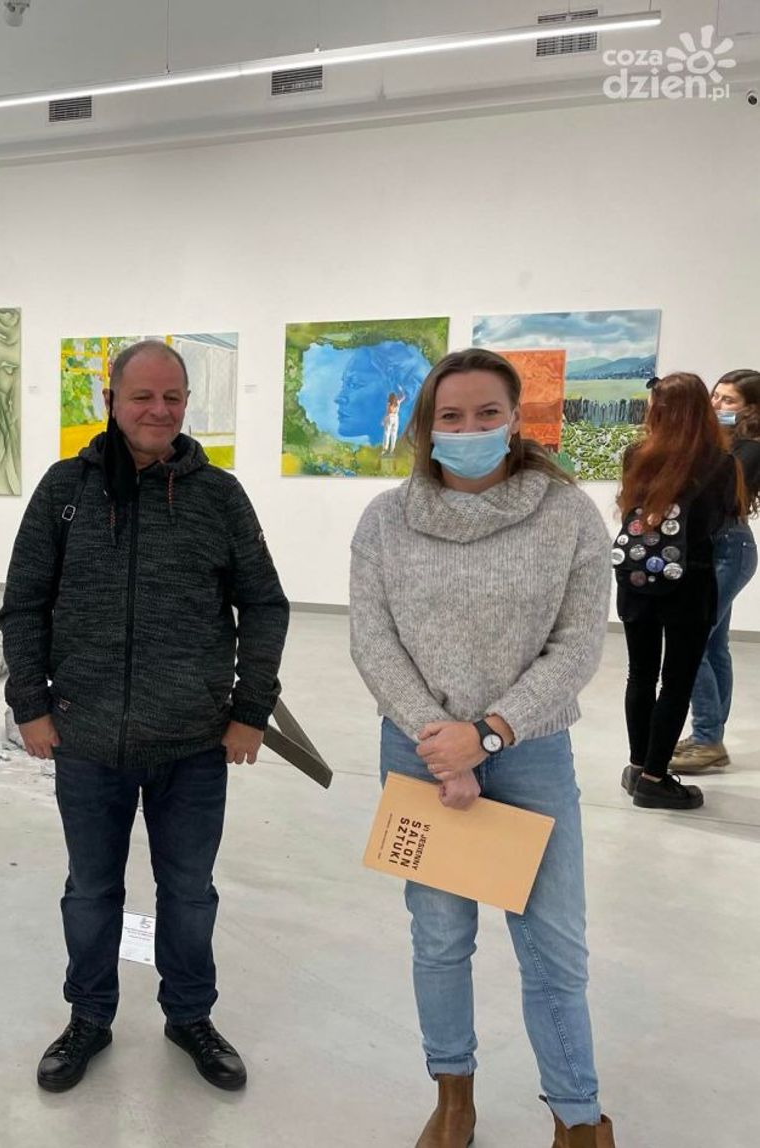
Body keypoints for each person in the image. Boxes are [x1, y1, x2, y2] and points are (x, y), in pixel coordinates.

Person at [0, 340, 289, 1095]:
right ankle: (89, 1017)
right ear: (111, 401)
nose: (158, 411)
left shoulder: (219, 496)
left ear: (186, 404)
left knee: (189, 894)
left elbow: (264, 605)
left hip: (193, 742)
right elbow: (24, 604)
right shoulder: (64, 490)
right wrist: (31, 704)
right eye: (142, 396)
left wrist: (250, 710)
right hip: (87, 737)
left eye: (172, 397)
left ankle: (190, 1015)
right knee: (91, 893)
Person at [349, 348, 617, 1147]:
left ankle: (577, 1116)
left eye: (486, 414)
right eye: (451, 417)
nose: (468, 430)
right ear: (426, 428)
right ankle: (453, 1095)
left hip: (530, 752)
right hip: (420, 752)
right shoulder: (385, 521)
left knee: (554, 947)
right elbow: (373, 641)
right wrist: (440, 740)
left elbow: (578, 645)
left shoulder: (568, 516)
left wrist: (489, 733)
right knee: (439, 939)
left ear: (514, 421)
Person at [615, 373, 747, 811]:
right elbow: (721, 520)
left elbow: (628, 506)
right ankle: (656, 778)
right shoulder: (720, 463)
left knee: (640, 673)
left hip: (636, 577)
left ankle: (638, 766)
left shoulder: (636, 454)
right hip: (690, 581)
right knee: (677, 679)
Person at [670, 369, 760, 772]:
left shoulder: (749, 449)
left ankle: (707, 737)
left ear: (752, 408)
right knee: (712, 645)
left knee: (689, 641)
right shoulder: (726, 443)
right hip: (718, 548)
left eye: (728, 400)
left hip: (728, 550)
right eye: (715, 396)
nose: (716, 405)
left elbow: (711, 492)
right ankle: (710, 736)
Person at [382, 391, 403, 455]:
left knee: (387, 433)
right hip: (396, 418)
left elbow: (389, 412)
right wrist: (401, 391)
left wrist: (383, 420)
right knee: (394, 434)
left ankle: (385, 449)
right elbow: (403, 397)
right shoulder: (397, 402)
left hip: (390, 418)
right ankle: (392, 450)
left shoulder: (389, 404)